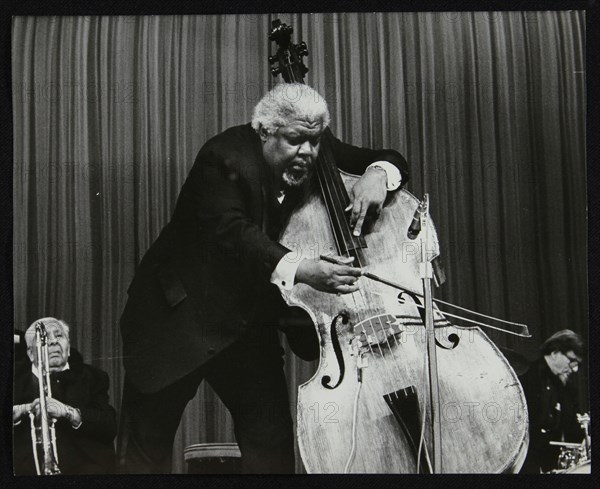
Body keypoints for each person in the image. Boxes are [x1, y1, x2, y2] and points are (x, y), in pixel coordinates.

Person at [117, 83, 409, 473]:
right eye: (295, 140)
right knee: (143, 453)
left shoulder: (311, 147)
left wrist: (376, 174)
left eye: (315, 141)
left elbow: (389, 159)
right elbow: (233, 232)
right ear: (265, 131)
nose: (307, 152)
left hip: (245, 322)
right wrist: (304, 269)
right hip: (177, 319)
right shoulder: (223, 156)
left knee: (270, 446)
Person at [13, 317, 118, 475]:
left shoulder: (93, 377)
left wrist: (68, 412)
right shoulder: (13, 377)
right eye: (44, 338)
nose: (53, 342)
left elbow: (109, 426)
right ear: (30, 354)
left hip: (84, 468)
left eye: (59, 335)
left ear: (68, 348)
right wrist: (23, 410)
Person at [519, 329, 586, 473]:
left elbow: (571, 424)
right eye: (572, 361)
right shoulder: (527, 376)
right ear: (555, 353)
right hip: (529, 463)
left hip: (550, 461)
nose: (575, 369)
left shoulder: (564, 384)